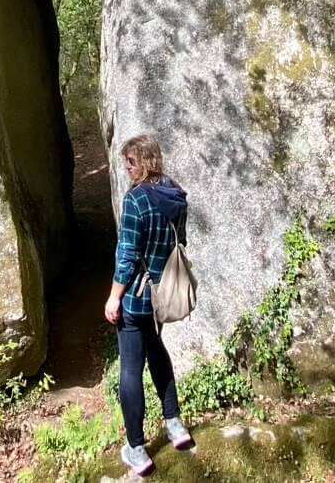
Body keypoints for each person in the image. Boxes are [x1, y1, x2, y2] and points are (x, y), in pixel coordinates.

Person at [105, 133, 195, 477]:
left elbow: (126, 255)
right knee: (157, 352)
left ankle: (137, 448)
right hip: (163, 294)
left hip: (137, 298)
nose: (127, 169)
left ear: (144, 162)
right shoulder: (174, 194)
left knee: (130, 369)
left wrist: (114, 296)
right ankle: (175, 426)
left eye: (131, 162)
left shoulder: (137, 201)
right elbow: (180, 242)